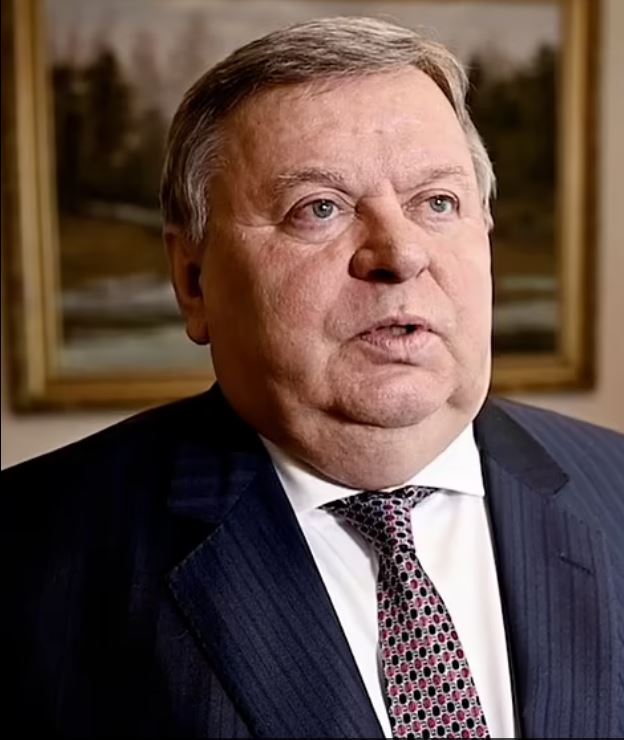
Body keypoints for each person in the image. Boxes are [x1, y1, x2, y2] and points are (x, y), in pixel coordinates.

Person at [4, 16, 623, 740]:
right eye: (319, 209)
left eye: (437, 202)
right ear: (193, 280)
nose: (400, 254)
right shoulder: (32, 556)